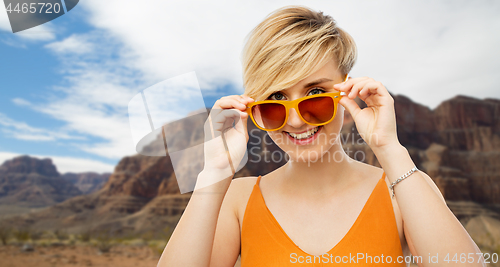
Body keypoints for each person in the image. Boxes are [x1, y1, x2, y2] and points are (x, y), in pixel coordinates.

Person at [158, 5, 485, 266]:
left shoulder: (403, 188)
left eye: (314, 91)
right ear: (253, 108)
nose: (297, 120)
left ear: (346, 89)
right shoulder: (236, 200)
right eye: (276, 99)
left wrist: (389, 148)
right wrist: (213, 172)